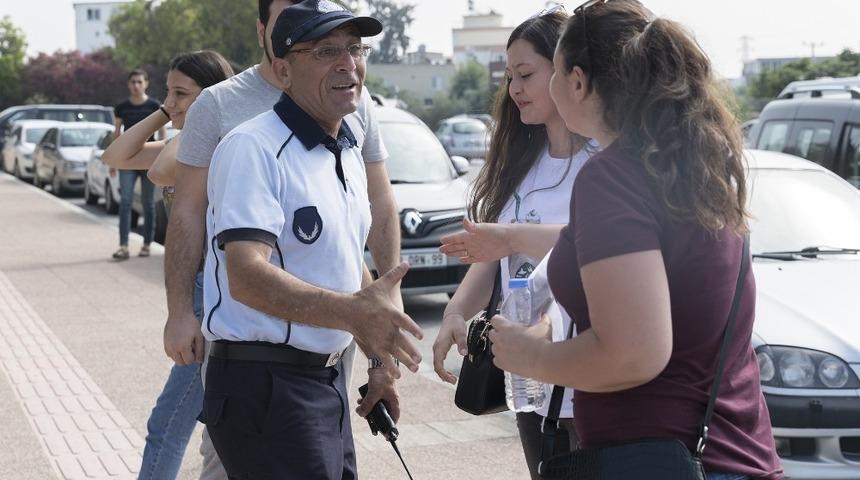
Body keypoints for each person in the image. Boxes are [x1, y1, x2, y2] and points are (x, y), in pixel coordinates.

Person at [489, 1, 784, 479]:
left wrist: (532, 358)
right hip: (731, 452)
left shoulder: (613, 177)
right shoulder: (692, 165)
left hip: (663, 457)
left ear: (578, 82)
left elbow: (632, 352)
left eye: (555, 70)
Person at [165, 0, 404, 476]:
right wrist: (178, 312)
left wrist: (378, 359)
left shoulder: (346, 146)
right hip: (265, 384)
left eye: (355, 48)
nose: (347, 63)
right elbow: (246, 277)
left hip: (325, 378)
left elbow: (348, 265)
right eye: (324, 51)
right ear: (282, 69)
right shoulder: (252, 146)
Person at [431, 8, 593, 478]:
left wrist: (511, 237)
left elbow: (597, 249)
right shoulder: (520, 161)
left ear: (568, 72)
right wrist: (453, 314)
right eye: (509, 77)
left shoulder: (605, 161)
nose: (515, 89)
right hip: (529, 379)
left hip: (589, 375)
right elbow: (493, 254)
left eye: (526, 74)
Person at [102, 50, 234, 480]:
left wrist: (193, 115)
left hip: (212, 299)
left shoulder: (217, 144)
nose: (171, 102)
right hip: (198, 292)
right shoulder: (186, 139)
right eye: (167, 92)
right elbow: (117, 155)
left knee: (168, 425)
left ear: (212, 98)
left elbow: (159, 170)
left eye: (182, 93)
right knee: (209, 434)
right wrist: (166, 109)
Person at [112, 69, 165, 261]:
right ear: (128, 84)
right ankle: (123, 246)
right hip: (127, 161)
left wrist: (161, 159)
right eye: (133, 82)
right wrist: (113, 161)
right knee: (125, 202)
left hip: (148, 162)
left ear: (146, 84)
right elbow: (117, 134)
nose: (136, 85)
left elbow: (162, 134)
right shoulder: (122, 107)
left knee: (148, 204)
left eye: (139, 82)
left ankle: (146, 244)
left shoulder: (154, 105)